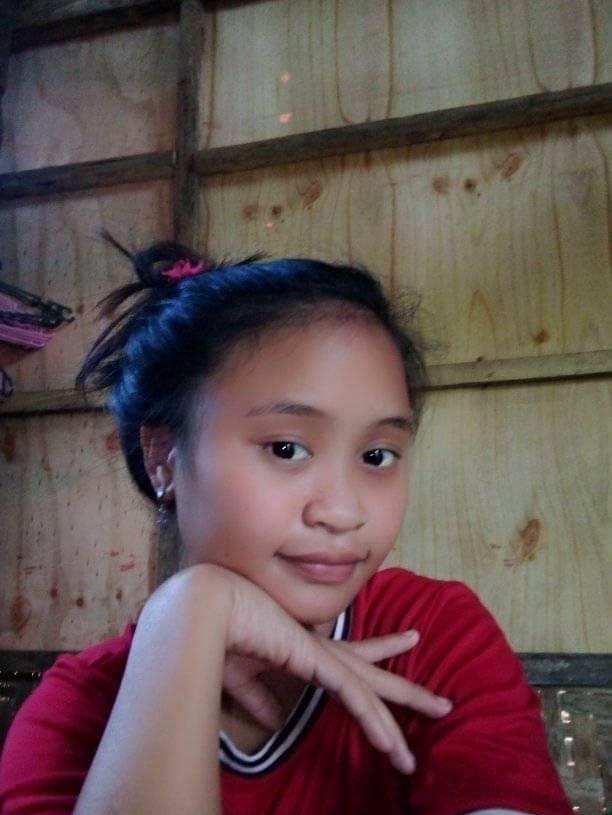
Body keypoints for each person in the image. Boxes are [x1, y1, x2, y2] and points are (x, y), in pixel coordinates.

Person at [0, 241, 572, 815]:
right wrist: (190, 611)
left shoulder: (429, 636)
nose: (343, 512)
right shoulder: (77, 710)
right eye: (286, 448)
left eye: (377, 456)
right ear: (163, 459)